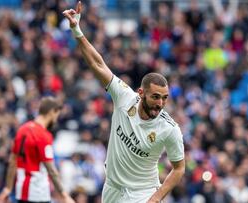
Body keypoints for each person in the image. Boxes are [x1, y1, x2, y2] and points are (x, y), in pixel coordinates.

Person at [63, 2, 185, 202]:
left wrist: (155, 198)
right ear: (141, 93)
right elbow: (98, 63)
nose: (160, 103)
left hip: (142, 194)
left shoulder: (170, 129)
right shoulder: (124, 97)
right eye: (155, 97)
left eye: (164, 98)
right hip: (112, 188)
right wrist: (77, 30)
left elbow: (179, 168)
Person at [0, 97, 75, 203]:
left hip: (21, 190)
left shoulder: (22, 130)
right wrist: (64, 195)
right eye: (57, 114)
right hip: (37, 192)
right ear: (52, 112)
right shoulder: (43, 135)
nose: (56, 119)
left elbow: (12, 162)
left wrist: (8, 188)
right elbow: (51, 169)